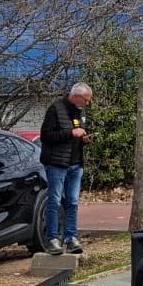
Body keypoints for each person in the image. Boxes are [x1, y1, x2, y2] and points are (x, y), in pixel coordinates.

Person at [40, 82, 92, 256]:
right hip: (57, 164)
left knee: (73, 201)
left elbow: (82, 130)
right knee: (54, 201)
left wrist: (85, 138)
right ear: (76, 96)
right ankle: (52, 239)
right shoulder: (56, 109)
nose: (87, 103)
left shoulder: (81, 112)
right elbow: (46, 136)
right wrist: (70, 133)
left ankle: (71, 237)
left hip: (76, 164)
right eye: (86, 99)